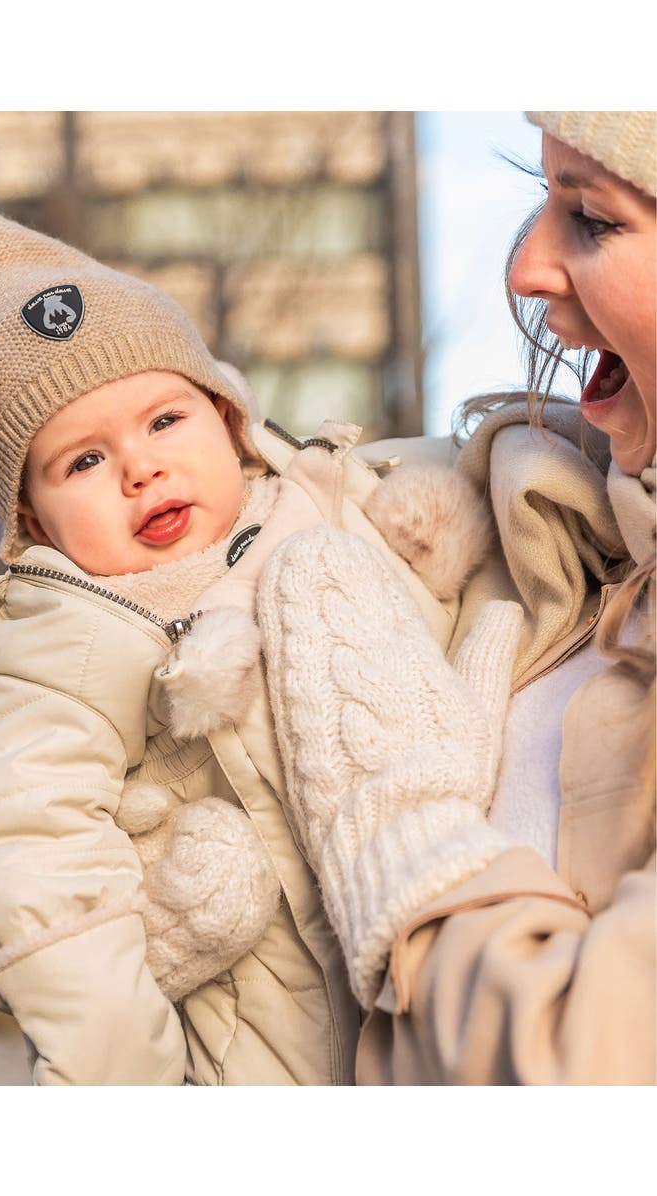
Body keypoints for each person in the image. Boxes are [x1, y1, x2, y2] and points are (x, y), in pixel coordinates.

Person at [0, 213, 491, 1085]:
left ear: (229, 416)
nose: (141, 469)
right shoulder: (35, 648)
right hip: (262, 1063)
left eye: (166, 419)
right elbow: (26, 874)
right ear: (27, 522)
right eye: (83, 462)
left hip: (448, 1010)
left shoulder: (320, 506)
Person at [258, 110, 656, 1084]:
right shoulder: (544, 510)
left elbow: (591, 1071)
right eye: (542, 194)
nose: (525, 266)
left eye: (593, 219)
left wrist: (402, 846)